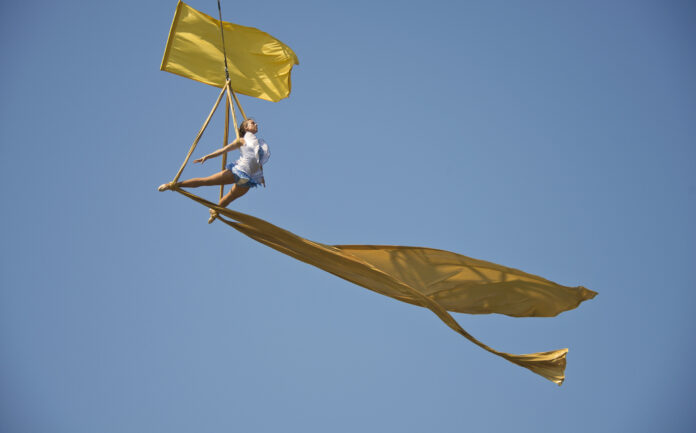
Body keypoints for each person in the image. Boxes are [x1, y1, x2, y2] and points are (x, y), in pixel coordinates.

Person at [158, 118, 270, 220]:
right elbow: (223, 150)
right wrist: (207, 157)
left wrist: (261, 176)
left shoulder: (259, 145)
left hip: (250, 177)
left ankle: (215, 211)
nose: (256, 124)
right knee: (206, 181)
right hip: (240, 170)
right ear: (246, 127)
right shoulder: (242, 140)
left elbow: (258, 162)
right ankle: (172, 185)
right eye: (253, 123)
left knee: (230, 197)